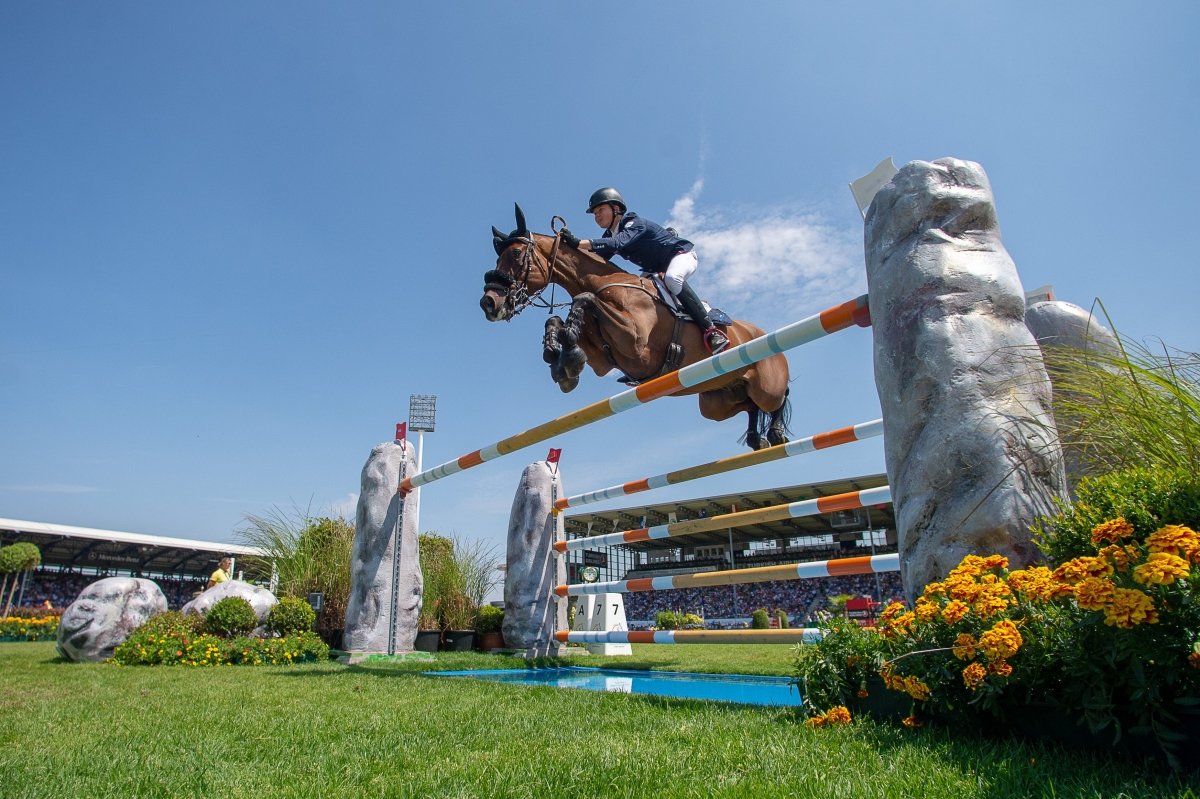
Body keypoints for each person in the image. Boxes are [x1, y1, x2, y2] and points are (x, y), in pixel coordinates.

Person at [560, 187, 729, 354]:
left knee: (673, 278)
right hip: (654, 268)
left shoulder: (633, 223)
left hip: (680, 255)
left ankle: (712, 332)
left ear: (616, 209)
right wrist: (566, 249)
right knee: (634, 295)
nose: (597, 215)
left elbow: (617, 243)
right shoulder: (609, 235)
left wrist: (578, 242)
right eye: (594, 213)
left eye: (600, 210)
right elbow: (595, 257)